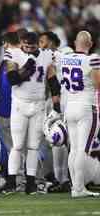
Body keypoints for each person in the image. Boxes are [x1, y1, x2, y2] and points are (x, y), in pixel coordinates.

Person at [3, 32, 61, 195]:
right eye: (26, 46)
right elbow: (13, 79)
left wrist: (56, 105)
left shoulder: (47, 55)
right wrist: (28, 67)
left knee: (34, 147)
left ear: (38, 45)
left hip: (38, 105)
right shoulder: (13, 53)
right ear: (21, 42)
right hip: (20, 104)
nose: (29, 49)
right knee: (18, 145)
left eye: (32, 47)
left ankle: (31, 183)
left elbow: (53, 82)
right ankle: (11, 182)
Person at [59, 31, 100, 198]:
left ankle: (75, 187)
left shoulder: (64, 57)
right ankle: (78, 188)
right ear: (90, 44)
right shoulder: (92, 59)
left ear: (75, 42)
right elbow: (98, 84)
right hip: (86, 107)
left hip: (70, 106)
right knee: (82, 150)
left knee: (74, 150)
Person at [39, 31, 70, 192]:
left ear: (51, 42)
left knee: (57, 141)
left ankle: (61, 179)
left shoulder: (49, 55)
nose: (40, 44)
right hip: (66, 100)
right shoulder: (66, 54)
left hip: (56, 101)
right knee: (63, 142)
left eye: (42, 41)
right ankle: (63, 178)